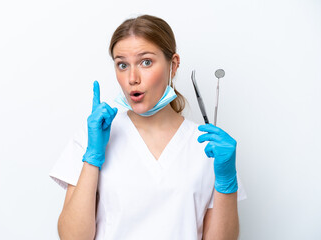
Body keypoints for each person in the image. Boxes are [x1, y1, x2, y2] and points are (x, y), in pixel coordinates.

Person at [49, 14, 247, 240]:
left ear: (173, 65)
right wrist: (92, 157)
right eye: (122, 65)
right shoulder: (95, 135)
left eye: (146, 62)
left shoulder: (207, 146)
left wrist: (226, 182)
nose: (132, 78)